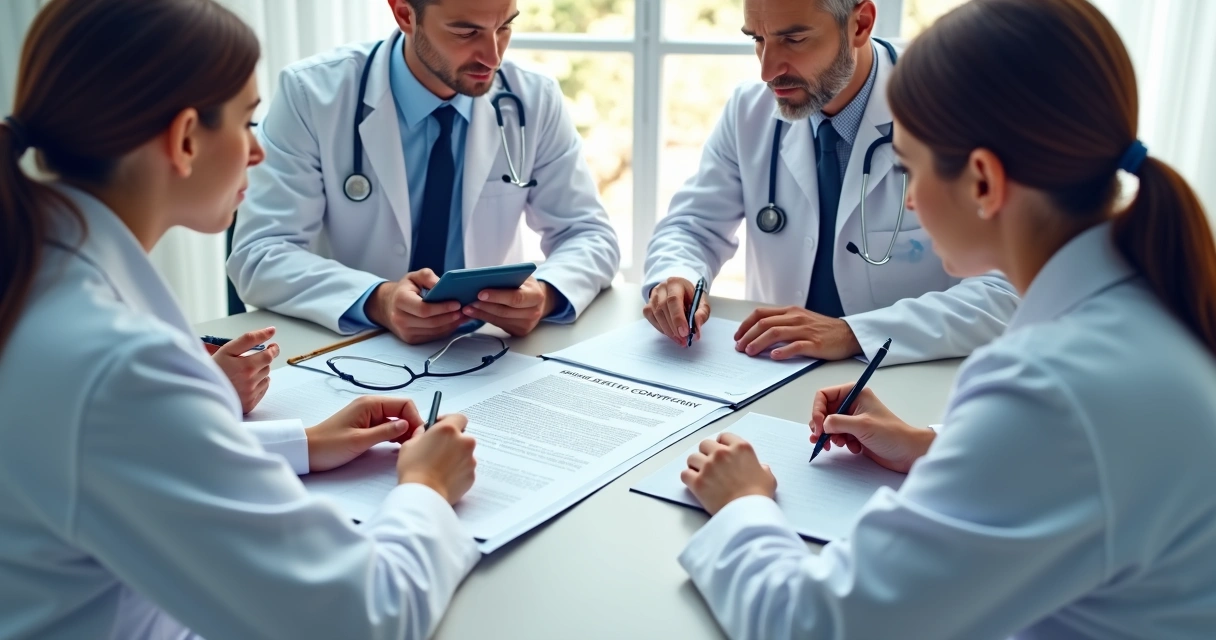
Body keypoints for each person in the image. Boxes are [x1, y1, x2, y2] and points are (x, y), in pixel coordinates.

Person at [675, 0, 1216, 637]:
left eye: (909, 166)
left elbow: (816, 626)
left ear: (983, 182)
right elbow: (1080, 468)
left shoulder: (1051, 391)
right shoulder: (1144, 307)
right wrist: (935, 446)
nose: (905, 196)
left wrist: (742, 505)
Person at [0, 1, 483, 637]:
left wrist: (302, 444)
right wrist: (425, 488)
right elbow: (363, 617)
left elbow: (107, 454)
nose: (257, 152)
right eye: (248, 123)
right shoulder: (117, 363)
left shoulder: (40, 278)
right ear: (185, 140)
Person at [642, 0, 1018, 366]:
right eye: (757, 40)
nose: (768, 70)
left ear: (860, 25)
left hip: (897, 383)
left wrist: (854, 333)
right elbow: (693, 227)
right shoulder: (748, 110)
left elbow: (1007, 290)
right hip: (769, 370)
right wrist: (678, 277)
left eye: (794, 40)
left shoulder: (950, 109)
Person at [227, 0, 620, 345]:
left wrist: (546, 294)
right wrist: (377, 300)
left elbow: (589, 235)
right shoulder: (313, 94)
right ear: (404, 14)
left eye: (504, 27)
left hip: (488, 352)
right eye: (466, 31)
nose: (493, 57)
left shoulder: (532, 99)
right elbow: (259, 254)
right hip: (359, 351)